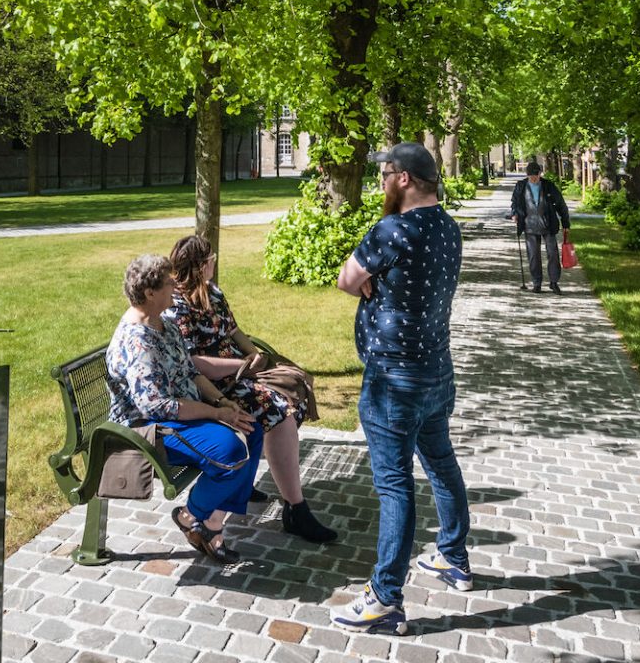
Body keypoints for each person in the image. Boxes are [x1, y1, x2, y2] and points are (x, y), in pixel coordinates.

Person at [330, 142, 471, 636]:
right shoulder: (449, 228)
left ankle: (385, 598)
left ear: (404, 179)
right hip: (437, 370)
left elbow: (348, 279)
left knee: (395, 485)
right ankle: (453, 556)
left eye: (384, 174)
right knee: (441, 462)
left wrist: (370, 282)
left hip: (393, 379)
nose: (380, 182)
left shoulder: (392, 230)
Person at [164, 236, 338, 543]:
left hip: (237, 374)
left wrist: (253, 354)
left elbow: (234, 330)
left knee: (293, 388)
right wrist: (241, 365)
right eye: (212, 259)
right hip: (209, 387)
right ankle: (296, 509)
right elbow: (194, 366)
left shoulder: (212, 293)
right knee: (277, 411)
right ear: (201, 264)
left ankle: (256, 488)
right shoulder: (176, 306)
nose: (215, 263)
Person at [105, 253, 264, 564]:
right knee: (232, 452)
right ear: (150, 293)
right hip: (148, 429)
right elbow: (158, 406)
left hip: (180, 415)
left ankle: (210, 524)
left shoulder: (164, 323)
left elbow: (190, 372)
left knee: (251, 428)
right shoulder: (138, 342)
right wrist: (216, 414)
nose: (175, 287)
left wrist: (221, 401)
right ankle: (190, 515)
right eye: (168, 284)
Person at [507, 160, 571, 293]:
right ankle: (537, 283)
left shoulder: (548, 186)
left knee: (553, 254)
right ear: (527, 175)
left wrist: (566, 223)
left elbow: (561, 204)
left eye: (536, 175)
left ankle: (554, 282)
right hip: (529, 225)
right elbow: (515, 202)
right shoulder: (521, 186)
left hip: (548, 225)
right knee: (533, 256)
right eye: (531, 176)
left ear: (540, 174)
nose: (534, 178)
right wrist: (514, 214)